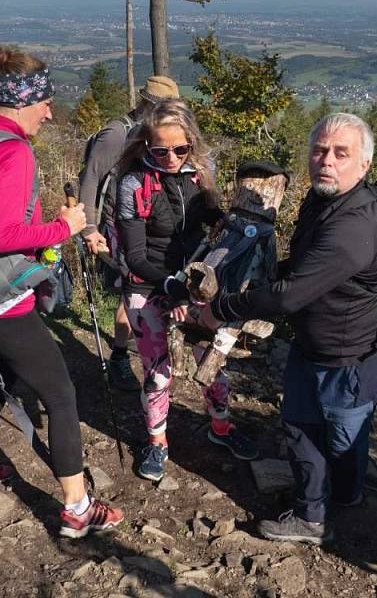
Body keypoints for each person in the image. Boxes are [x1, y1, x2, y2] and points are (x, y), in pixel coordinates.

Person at [0, 39, 123, 538]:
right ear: (24, 100)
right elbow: (4, 236)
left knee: (6, 375)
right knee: (61, 397)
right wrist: (62, 228)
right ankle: (77, 508)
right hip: (2, 298)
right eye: (45, 102)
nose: (49, 112)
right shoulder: (15, 153)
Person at [203, 113, 377, 544]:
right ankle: (317, 511)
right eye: (319, 150)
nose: (326, 160)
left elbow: (290, 296)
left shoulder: (354, 225)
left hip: (349, 358)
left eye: (341, 153)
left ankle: (337, 500)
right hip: (322, 345)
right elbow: (304, 271)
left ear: (363, 165)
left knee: (339, 435)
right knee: (303, 426)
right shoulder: (322, 200)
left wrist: (223, 305)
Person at [115, 98, 259, 482]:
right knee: (159, 372)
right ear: (147, 145)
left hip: (195, 283)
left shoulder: (199, 172)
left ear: (191, 143)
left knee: (211, 362)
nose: (171, 158)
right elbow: (134, 255)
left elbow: (208, 219)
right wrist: (171, 289)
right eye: (160, 150)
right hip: (147, 286)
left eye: (181, 149)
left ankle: (222, 427)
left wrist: (235, 220)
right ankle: (157, 442)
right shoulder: (133, 184)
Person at [79, 75, 180, 391]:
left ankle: (135, 345)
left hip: (142, 224)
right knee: (130, 290)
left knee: (138, 291)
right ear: (149, 104)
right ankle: (120, 357)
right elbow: (91, 178)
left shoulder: (150, 135)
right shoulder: (116, 134)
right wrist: (89, 228)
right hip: (116, 226)